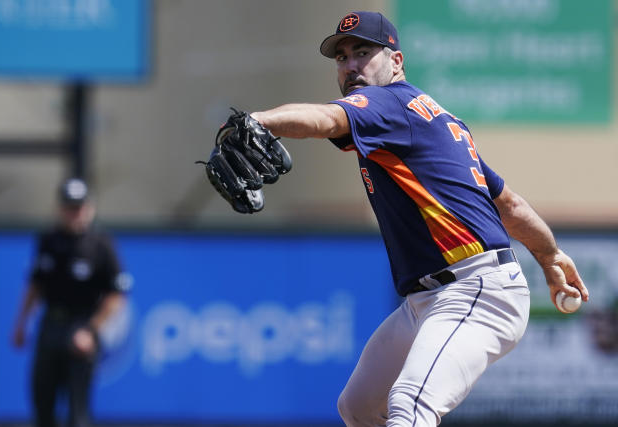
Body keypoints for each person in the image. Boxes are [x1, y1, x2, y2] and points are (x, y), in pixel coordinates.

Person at [248, 11, 589, 427]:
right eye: (342, 57)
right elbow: (508, 205)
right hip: (430, 300)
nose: (351, 65)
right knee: (358, 406)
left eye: (364, 51)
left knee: (410, 404)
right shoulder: (430, 117)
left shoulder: (387, 103)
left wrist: (256, 121)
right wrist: (550, 256)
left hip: (474, 290)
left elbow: (325, 120)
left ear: (396, 61)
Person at [11, 177, 131, 427]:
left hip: (82, 324)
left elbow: (116, 295)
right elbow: (35, 285)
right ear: (60, 208)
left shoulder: (100, 244)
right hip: (50, 324)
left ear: (90, 208)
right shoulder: (48, 240)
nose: (74, 213)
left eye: (79, 206)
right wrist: (21, 324)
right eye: (69, 207)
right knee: (42, 401)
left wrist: (91, 330)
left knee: (77, 412)